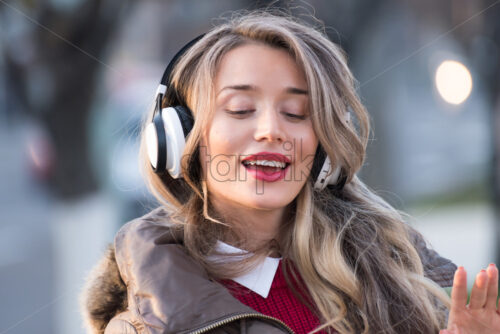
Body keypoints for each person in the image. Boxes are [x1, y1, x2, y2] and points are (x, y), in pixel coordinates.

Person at [79, 9, 499, 334]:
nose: (271, 130)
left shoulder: (401, 274)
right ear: (180, 136)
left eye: (297, 113)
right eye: (241, 109)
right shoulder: (147, 320)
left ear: (324, 148)